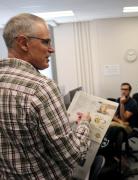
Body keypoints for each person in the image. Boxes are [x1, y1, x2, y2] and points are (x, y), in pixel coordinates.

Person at [0, 13, 90, 180]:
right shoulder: (41, 87)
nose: (52, 49)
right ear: (23, 43)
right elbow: (72, 154)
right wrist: (84, 124)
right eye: (46, 41)